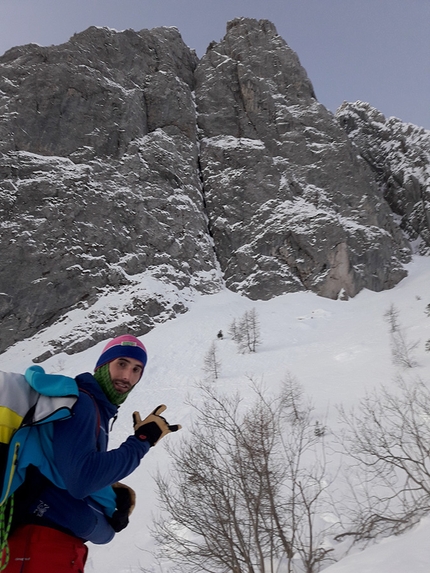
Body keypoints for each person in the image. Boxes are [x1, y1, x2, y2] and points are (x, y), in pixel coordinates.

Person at [4, 334, 181, 572]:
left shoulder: (94, 408)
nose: (127, 376)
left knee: (106, 531)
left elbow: (61, 466)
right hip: (39, 542)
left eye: (137, 369)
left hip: (45, 544)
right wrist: (141, 442)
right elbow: (81, 479)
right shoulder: (84, 404)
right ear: (102, 365)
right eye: (121, 364)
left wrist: (109, 489)